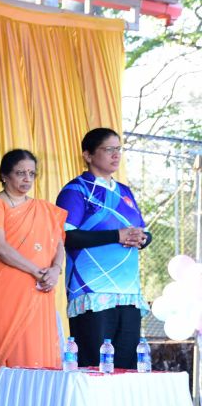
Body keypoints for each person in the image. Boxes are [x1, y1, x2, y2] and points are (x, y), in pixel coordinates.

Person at [0, 150, 66, 405]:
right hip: (3, 292)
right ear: (4, 175)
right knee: (8, 357)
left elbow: (59, 245)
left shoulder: (45, 210)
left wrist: (55, 270)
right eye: (20, 173)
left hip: (40, 290)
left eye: (31, 174)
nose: (27, 179)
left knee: (39, 354)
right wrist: (37, 271)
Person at [57, 128, 151, 368]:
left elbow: (140, 229)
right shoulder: (76, 190)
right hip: (92, 291)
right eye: (109, 149)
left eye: (118, 149)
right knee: (95, 367)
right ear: (88, 155)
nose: (116, 155)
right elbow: (66, 236)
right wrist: (117, 235)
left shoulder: (125, 191)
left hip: (128, 292)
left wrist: (143, 238)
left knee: (127, 367)